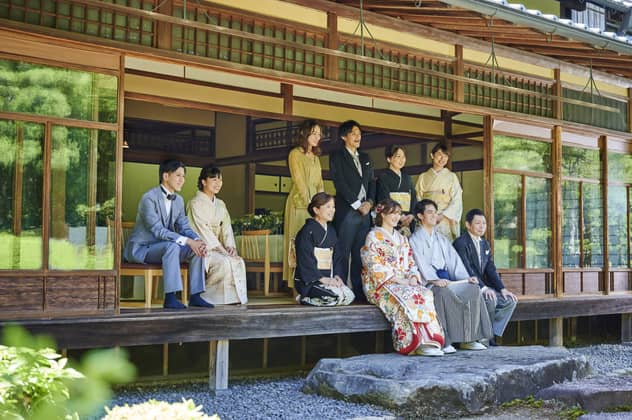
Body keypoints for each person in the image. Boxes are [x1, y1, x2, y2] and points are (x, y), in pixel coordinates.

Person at [123, 159, 214, 309]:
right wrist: (187, 241)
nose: (182, 180)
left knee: (196, 249)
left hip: (165, 247)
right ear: (166, 176)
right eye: (178, 175)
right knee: (173, 247)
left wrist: (197, 240)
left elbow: (184, 227)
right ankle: (170, 298)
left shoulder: (178, 200)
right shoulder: (149, 198)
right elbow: (157, 230)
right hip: (143, 249)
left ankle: (195, 296)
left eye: (183, 176)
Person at [361, 199, 445, 356]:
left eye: (398, 213)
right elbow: (373, 265)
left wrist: (413, 276)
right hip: (382, 284)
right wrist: (399, 280)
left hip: (404, 282)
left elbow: (411, 262)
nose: (395, 217)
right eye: (391, 213)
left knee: (424, 293)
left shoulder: (402, 238)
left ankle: (430, 339)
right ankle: (411, 342)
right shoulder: (373, 236)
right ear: (382, 215)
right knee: (407, 297)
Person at [409, 199, 492, 353]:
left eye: (435, 212)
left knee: (472, 289)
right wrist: (435, 279)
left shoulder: (441, 238)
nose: (434, 215)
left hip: (448, 279)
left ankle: (469, 338)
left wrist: (465, 278)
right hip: (429, 282)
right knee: (442, 292)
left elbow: (454, 261)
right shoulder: (414, 239)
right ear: (420, 216)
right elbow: (420, 264)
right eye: (430, 212)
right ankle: (445, 341)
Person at [453, 208, 518, 346]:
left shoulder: (484, 244)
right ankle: (483, 337)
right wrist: (483, 288)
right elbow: (467, 269)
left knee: (510, 301)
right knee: (490, 299)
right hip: (468, 286)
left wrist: (502, 289)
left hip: (484, 285)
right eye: (477, 223)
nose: (481, 226)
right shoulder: (461, 243)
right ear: (468, 225)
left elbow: (491, 269)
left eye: (484, 223)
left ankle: (490, 334)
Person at [187, 166, 248, 305]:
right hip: (202, 247)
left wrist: (230, 247)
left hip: (220, 247)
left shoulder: (221, 204)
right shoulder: (195, 203)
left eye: (220, 179)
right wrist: (221, 249)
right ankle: (208, 297)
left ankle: (232, 299)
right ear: (203, 181)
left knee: (237, 260)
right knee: (224, 262)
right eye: (213, 179)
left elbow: (227, 228)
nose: (218, 183)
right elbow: (202, 230)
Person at [329, 120, 375, 302]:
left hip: (365, 211)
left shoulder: (365, 157)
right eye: (354, 133)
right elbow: (339, 182)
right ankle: (340, 290)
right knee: (343, 251)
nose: (358, 137)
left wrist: (370, 203)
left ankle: (358, 291)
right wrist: (357, 204)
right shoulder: (337, 156)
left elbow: (372, 182)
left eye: (359, 133)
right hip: (348, 209)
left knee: (359, 252)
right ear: (343, 136)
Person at [283, 120, 325, 289]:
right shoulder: (295, 154)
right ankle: (296, 284)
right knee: (297, 241)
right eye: (314, 133)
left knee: (313, 243)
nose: (317, 137)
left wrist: (322, 203)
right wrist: (310, 203)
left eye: (319, 134)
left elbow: (320, 182)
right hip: (299, 204)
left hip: (315, 205)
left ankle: (313, 280)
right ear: (304, 133)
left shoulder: (316, 158)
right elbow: (298, 180)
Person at [294, 192, 355, 306]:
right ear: (316, 210)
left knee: (349, 296)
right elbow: (305, 258)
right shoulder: (307, 231)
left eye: (333, 207)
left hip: (329, 278)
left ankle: (315, 298)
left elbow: (337, 257)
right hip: (311, 281)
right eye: (328, 207)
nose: (332, 210)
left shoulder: (331, 231)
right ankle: (305, 297)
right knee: (334, 297)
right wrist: (321, 278)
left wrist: (337, 276)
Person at [415, 143, 463, 240]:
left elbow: (457, 200)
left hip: (445, 219)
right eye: (440, 155)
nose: (442, 158)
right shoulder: (423, 177)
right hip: (427, 218)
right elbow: (418, 198)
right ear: (432, 156)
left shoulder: (452, 177)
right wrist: (425, 215)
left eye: (445, 156)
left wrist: (443, 215)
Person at [376, 144, 416, 236]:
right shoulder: (383, 177)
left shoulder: (407, 178)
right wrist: (399, 216)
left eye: (403, 156)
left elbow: (413, 198)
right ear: (389, 159)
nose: (402, 160)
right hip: (392, 217)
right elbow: (384, 199)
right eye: (398, 156)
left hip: (408, 220)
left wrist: (412, 215)